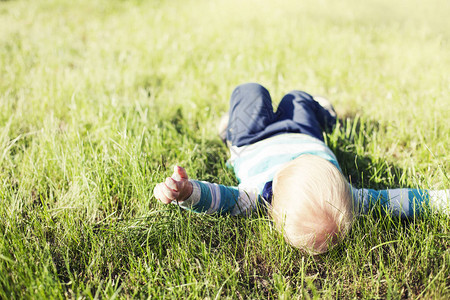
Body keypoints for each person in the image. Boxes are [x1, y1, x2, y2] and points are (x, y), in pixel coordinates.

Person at [153, 83, 449, 254]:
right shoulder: (350, 199)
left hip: (252, 140)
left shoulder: (256, 197)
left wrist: (187, 192)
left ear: (275, 204)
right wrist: (440, 201)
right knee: (298, 97)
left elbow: (220, 198)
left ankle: (229, 129)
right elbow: (400, 200)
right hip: (304, 133)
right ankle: (325, 114)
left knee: (250, 91)